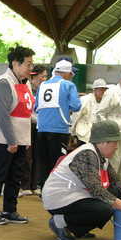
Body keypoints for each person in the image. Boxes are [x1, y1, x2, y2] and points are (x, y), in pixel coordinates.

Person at [42, 120, 121, 240]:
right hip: (59, 198)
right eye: (115, 142)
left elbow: (115, 181)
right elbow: (97, 191)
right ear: (104, 142)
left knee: (117, 193)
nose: (116, 147)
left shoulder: (100, 156)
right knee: (104, 210)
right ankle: (59, 222)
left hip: (74, 196)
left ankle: (76, 228)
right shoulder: (87, 154)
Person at [0, 45, 35, 225]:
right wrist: (12, 140)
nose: (31, 68)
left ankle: (9, 210)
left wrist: (25, 139)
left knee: (15, 176)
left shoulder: (24, 83)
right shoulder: (4, 83)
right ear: (15, 63)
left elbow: (25, 112)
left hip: (20, 138)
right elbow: (3, 115)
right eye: (28, 64)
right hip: (3, 138)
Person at [35, 58, 81, 186]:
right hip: (59, 129)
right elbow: (76, 105)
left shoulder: (42, 85)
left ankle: (43, 186)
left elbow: (36, 106)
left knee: (43, 161)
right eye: (71, 73)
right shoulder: (68, 85)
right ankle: (56, 188)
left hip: (42, 129)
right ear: (66, 73)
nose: (72, 76)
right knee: (58, 161)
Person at [19, 65, 47, 196]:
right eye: (42, 76)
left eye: (46, 76)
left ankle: (34, 184)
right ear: (33, 77)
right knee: (27, 156)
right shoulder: (25, 88)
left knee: (38, 156)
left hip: (39, 126)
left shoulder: (45, 90)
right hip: (28, 124)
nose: (44, 79)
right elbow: (26, 110)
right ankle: (25, 185)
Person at [70, 78, 107, 145]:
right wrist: (72, 132)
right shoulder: (85, 100)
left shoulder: (104, 102)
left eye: (104, 90)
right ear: (94, 90)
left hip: (96, 135)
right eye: (101, 89)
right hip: (83, 134)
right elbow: (76, 116)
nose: (103, 92)